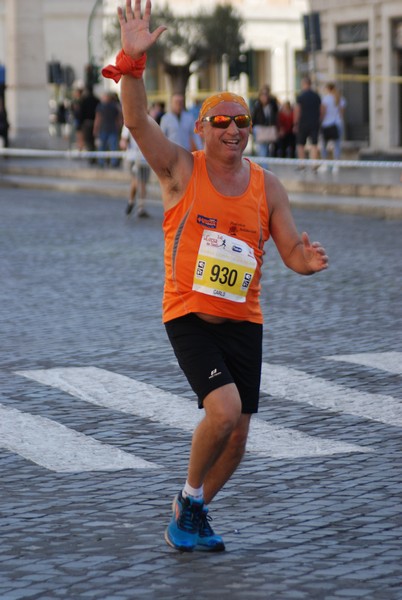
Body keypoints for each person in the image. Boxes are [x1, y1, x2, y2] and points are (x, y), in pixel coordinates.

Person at [103, 0, 328, 554]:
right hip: (190, 316)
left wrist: (305, 260)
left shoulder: (268, 187)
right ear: (201, 128)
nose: (232, 129)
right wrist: (132, 63)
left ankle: (191, 509)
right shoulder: (181, 168)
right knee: (222, 410)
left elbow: (290, 251)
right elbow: (134, 121)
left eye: (242, 121)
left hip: (243, 320)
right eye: (221, 121)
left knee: (238, 441)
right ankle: (187, 499)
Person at [120, 124, 151, 217]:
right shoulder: (128, 123)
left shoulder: (148, 122)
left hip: (145, 158)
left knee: (143, 183)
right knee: (137, 182)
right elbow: (123, 140)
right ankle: (132, 201)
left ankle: (140, 207)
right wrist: (124, 143)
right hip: (133, 158)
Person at [294, 76, 322, 168]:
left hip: (303, 123)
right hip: (314, 123)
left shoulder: (301, 96)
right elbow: (321, 110)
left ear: (304, 84)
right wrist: (319, 119)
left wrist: (295, 123)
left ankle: (302, 164)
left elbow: (297, 110)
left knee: (300, 144)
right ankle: (314, 164)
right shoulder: (316, 96)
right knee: (314, 144)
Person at [320, 82, 346, 174]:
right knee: (337, 145)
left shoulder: (325, 99)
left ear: (328, 89)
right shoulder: (341, 99)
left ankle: (325, 164)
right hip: (337, 124)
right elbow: (342, 114)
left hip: (327, 124)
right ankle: (336, 165)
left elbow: (323, 113)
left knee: (324, 145)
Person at [93, 92, 124, 168]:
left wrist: (95, 129)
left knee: (103, 147)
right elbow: (119, 118)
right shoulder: (115, 106)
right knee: (112, 147)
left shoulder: (101, 106)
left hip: (106, 129)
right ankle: (113, 162)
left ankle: (102, 162)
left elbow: (98, 119)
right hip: (110, 129)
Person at [251, 85, 279, 158]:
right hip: (260, 129)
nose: (264, 97)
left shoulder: (272, 105)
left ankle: (264, 164)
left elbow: (276, 116)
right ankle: (264, 166)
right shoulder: (257, 105)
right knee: (262, 148)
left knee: (267, 148)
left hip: (269, 129)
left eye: (266, 94)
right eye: (262, 95)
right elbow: (253, 117)